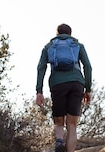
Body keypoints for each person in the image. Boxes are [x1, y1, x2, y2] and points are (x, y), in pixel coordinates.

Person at [36, 23, 92, 152]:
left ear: (57, 34)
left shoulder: (49, 47)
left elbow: (41, 68)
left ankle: (59, 141)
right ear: (70, 33)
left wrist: (39, 91)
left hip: (57, 84)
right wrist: (88, 89)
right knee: (72, 125)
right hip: (76, 84)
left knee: (58, 120)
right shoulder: (77, 45)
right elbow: (88, 67)